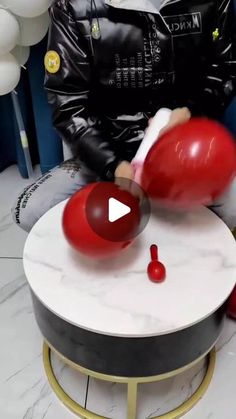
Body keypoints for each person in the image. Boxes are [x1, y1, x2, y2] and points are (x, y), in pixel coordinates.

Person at [12, 0, 236, 232]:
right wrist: (113, 166)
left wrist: (191, 113)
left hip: (182, 152)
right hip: (107, 152)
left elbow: (225, 70)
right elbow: (68, 102)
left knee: (233, 207)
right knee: (29, 210)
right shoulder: (73, 6)